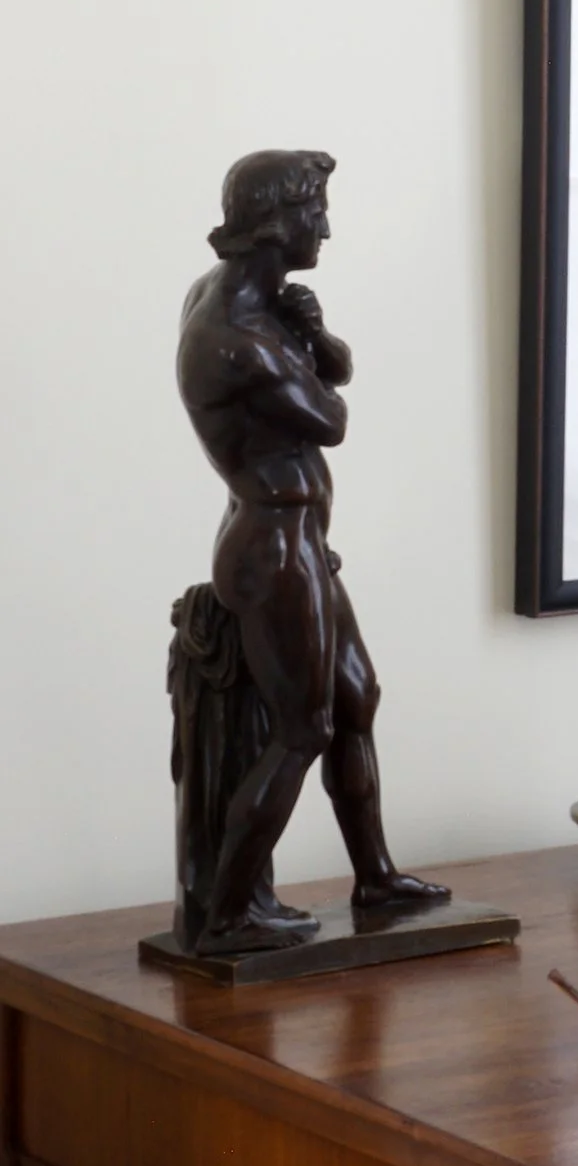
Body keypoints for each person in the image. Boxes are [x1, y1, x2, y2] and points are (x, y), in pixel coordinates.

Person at [173, 150, 447, 953]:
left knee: (357, 697)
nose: (325, 226)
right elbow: (332, 417)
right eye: (314, 210)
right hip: (273, 546)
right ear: (273, 223)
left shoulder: (244, 305)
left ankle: (376, 876)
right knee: (304, 727)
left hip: (298, 539)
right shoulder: (236, 340)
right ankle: (229, 914)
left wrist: (314, 330)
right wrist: (307, 340)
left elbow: (337, 368)